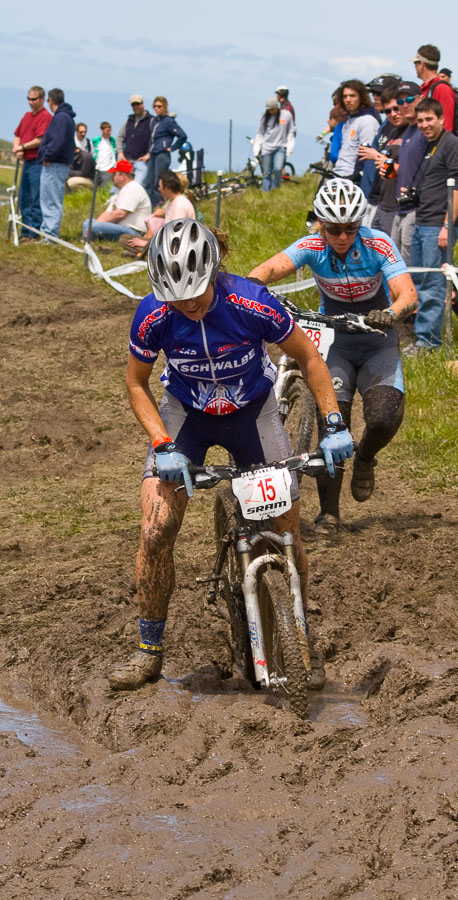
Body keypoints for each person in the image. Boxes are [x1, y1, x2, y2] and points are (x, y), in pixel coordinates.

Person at [108, 218, 353, 691]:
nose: (189, 307)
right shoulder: (152, 315)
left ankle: (301, 638)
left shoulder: (252, 301)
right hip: (186, 415)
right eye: (176, 298)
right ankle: (148, 652)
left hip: (252, 412)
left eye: (196, 295)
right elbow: (136, 383)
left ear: (215, 273)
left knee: (286, 530)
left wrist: (335, 423)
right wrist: (162, 443)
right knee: (157, 530)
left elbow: (310, 359)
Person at [247, 179, 418, 535]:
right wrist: (252, 291)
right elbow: (266, 271)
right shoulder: (311, 245)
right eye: (334, 230)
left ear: (361, 224)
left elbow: (408, 294)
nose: (342, 237)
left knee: (385, 418)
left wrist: (392, 312)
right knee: (332, 425)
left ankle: (367, 457)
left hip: (377, 337)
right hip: (335, 340)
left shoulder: (378, 244)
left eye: (350, 229)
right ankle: (329, 513)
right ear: (320, 224)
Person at [407, 97, 458, 352]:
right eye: (420, 120)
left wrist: (446, 225)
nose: (424, 124)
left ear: (442, 119)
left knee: (433, 284)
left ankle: (429, 342)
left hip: (437, 226)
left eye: (429, 119)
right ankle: (423, 336)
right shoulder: (431, 144)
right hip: (422, 221)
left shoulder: (452, 145)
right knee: (420, 282)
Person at [357, 84, 406, 235]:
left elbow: (407, 167)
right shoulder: (390, 129)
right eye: (387, 111)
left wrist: (376, 155)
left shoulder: (412, 132)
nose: (393, 114)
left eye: (396, 108)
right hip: (380, 199)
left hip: (397, 204)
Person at [119, 169, 195, 257]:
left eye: (160, 186)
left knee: (153, 244)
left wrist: (147, 243)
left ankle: (146, 253)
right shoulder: (170, 203)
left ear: (167, 187)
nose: (159, 189)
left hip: (177, 245)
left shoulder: (180, 205)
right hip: (165, 241)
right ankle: (146, 253)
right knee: (124, 239)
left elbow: (175, 234)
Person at [12, 85, 52, 242]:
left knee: (36, 198)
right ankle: (25, 230)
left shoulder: (45, 116)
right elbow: (17, 134)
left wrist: (22, 146)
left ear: (42, 99)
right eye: (28, 99)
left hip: (37, 162)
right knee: (24, 198)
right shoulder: (26, 116)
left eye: (34, 99)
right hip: (27, 161)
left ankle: (34, 231)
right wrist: (18, 149)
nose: (30, 102)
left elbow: (40, 139)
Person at [391, 81, 425, 263]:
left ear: (420, 99)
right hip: (400, 205)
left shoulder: (423, 129)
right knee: (395, 262)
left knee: (408, 266)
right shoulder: (407, 130)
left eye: (410, 99)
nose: (405, 105)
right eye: (400, 102)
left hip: (414, 208)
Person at [38, 88, 76, 241]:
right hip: (58, 163)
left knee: (51, 199)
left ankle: (50, 234)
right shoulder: (65, 117)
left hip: (55, 164)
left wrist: (47, 155)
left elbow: (57, 140)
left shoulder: (61, 118)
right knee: (50, 198)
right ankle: (47, 231)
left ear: (51, 101)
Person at [81, 159, 151, 241]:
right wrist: (95, 225)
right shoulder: (121, 190)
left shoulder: (133, 188)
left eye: (114, 174)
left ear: (122, 176)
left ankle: (89, 238)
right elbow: (108, 213)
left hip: (133, 231)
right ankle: (88, 238)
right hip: (119, 227)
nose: (112, 177)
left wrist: (95, 226)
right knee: (88, 222)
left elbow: (119, 214)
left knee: (93, 225)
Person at [332, 80, 380, 180]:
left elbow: (367, 155)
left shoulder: (368, 121)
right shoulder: (348, 121)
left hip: (352, 179)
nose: (348, 100)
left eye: (352, 96)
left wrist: (357, 177)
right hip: (339, 175)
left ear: (361, 98)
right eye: (345, 96)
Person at [144, 96, 187, 206]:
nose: (157, 109)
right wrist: (149, 152)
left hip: (162, 154)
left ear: (165, 107)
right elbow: (151, 139)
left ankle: (159, 205)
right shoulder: (154, 121)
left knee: (158, 183)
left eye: (159, 106)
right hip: (153, 153)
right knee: (148, 182)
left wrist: (172, 148)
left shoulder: (169, 121)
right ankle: (149, 205)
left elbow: (182, 136)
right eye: (155, 106)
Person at [412, 44, 455, 136]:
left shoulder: (441, 88)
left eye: (415, 63)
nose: (415, 67)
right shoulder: (423, 88)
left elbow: (446, 126)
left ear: (422, 65)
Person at [253, 97, 295, 192]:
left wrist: (290, 147)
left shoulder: (286, 115)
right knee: (267, 172)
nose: (272, 111)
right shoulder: (264, 118)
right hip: (267, 148)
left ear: (277, 107)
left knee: (278, 168)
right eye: (269, 110)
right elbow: (260, 134)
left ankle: (275, 190)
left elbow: (290, 132)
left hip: (280, 147)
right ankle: (266, 192)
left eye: (273, 109)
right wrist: (256, 149)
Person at [117, 94, 153, 186]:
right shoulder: (129, 120)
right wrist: (120, 152)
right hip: (127, 160)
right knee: (117, 187)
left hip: (141, 162)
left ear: (143, 104)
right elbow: (120, 137)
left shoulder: (151, 120)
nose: (136, 106)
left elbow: (155, 139)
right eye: (133, 105)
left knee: (137, 186)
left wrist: (149, 154)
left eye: (137, 104)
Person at [92, 122, 117, 187]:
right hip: (97, 168)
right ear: (102, 130)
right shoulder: (95, 141)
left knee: (106, 188)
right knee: (95, 189)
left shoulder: (114, 141)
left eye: (110, 130)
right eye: (107, 131)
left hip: (108, 169)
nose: (109, 132)